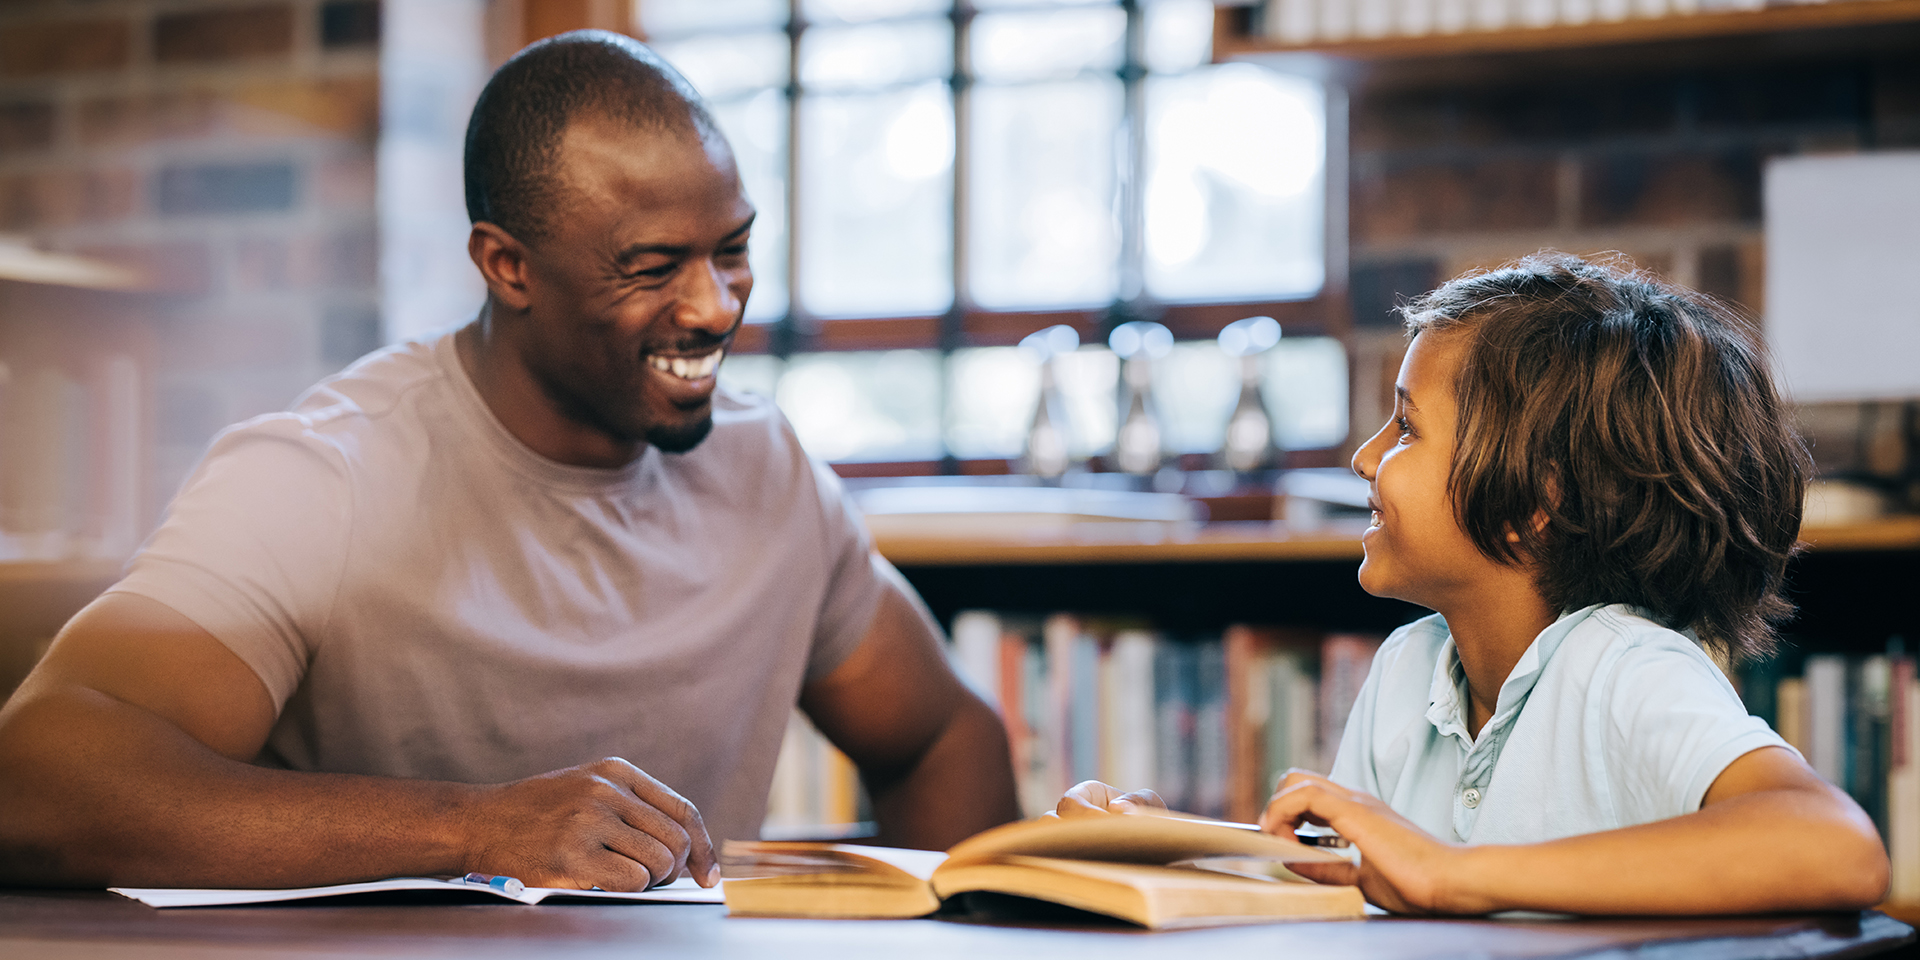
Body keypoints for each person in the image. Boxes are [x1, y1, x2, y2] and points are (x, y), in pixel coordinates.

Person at [0, 31, 1018, 891]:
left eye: (733, 249)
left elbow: (942, 739)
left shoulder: (771, 474)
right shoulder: (327, 475)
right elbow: (36, 774)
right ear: (508, 265)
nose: (715, 306)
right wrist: (478, 830)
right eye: (654, 266)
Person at [1059, 253, 1890, 914]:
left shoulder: (1621, 666)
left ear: (1538, 499)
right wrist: (1174, 848)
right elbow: (1360, 891)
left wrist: (1457, 875)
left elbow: (1835, 844)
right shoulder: (1407, 671)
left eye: (1407, 427)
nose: (1364, 458)